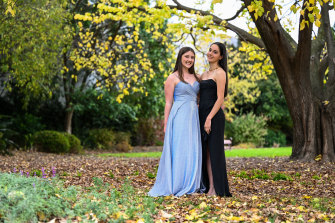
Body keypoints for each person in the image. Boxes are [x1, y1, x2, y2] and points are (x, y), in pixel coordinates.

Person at [148, 47, 202, 197]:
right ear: (180, 57)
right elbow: (168, 103)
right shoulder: (172, 78)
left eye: (192, 57)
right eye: (186, 56)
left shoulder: (198, 77)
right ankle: (176, 183)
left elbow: (199, 99)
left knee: (192, 148)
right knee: (179, 148)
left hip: (193, 118)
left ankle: (190, 184)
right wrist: (166, 124)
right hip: (178, 116)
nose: (189, 59)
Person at [199, 42, 232, 197]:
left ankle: (216, 188)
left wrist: (209, 118)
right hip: (201, 115)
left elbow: (220, 99)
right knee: (205, 153)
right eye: (210, 50)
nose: (210, 53)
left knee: (214, 152)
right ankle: (208, 186)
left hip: (214, 117)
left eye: (215, 51)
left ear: (220, 56)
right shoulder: (203, 74)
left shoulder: (220, 73)